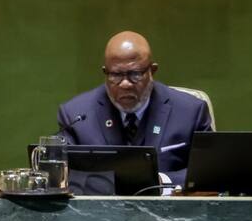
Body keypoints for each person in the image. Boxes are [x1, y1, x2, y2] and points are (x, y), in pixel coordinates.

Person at [56, 31, 213, 186]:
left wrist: (161, 182)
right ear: (105, 72)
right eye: (116, 75)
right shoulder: (76, 115)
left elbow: (209, 171)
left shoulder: (191, 111)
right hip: (103, 210)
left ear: (152, 71)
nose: (125, 84)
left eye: (135, 74)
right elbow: (63, 175)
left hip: (171, 209)